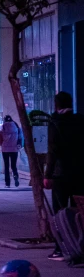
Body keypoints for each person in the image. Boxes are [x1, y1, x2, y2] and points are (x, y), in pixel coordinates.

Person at [44, 91, 84, 260]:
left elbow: (53, 151)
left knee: (59, 212)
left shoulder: (55, 123)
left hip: (60, 175)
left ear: (56, 105)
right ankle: (79, 245)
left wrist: (48, 174)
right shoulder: (80, 121)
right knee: (79, 211)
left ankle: (61, 248)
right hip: (80, 173)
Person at [0, 115, 22, 188]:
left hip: (5, 149)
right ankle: (15, 176)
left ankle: (7, 183)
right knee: (13, 165)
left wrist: (1, 144)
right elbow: (20, 137)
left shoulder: (3, 126)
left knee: (6, 166)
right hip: (14, 149)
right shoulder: (16, 126)